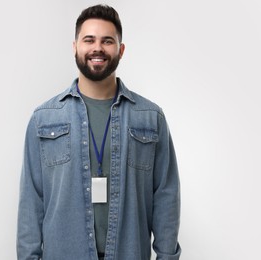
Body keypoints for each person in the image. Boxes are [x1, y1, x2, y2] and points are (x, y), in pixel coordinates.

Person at [17, 4, 181, 260]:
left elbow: (166, 196)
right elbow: (31, 201)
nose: (97, 48)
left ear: (121, 50)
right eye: (89, 40)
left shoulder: (150, 117)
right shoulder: (44, 119)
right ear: (75, 47)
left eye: (107, 41)